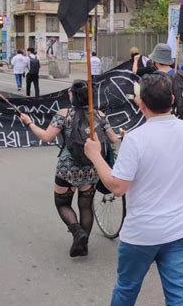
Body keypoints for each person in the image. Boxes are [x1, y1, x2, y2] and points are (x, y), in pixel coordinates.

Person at [82, 73, 183, 306]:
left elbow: (117, 187)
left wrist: (96, 156)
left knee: (128, 287)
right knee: (178, 292)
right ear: (173, 100)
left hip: (142, 233)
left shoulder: (136, 139)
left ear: (141, 105)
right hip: (180, 229)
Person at [20, 80, 120, 257]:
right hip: (92, 166)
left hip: (68, 167)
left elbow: (46, 137)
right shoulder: (99, 115)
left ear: (73, 95)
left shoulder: (64, 114)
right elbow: (113, 139)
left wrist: (29, 123)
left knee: (62, 203)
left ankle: (77, 232)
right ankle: (84, 244)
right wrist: (123, 134)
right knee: (86, 205)